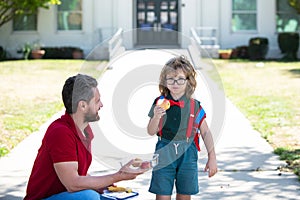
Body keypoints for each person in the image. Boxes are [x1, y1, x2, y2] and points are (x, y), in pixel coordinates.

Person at [24, 74, 147, 200]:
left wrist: (104, 184)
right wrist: (118, 176)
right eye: (97, 101)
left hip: (65, 195)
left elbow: (80, 176)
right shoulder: (60, 132)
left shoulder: (85, 131)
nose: (101, 105)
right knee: (89, 197)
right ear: (82, 105)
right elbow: (73, 184)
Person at [147, 56, 218, 200]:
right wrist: (156, 117)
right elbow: (150, 131)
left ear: (188, 81)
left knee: (185, 194)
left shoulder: (195, 105)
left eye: (180, 79)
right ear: (164, 81)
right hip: (164, 150)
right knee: (162, 194)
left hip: (188, 151)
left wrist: (212, 157)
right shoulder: (159, 102)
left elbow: (205, 132)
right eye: (170, 79)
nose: (175, 83)